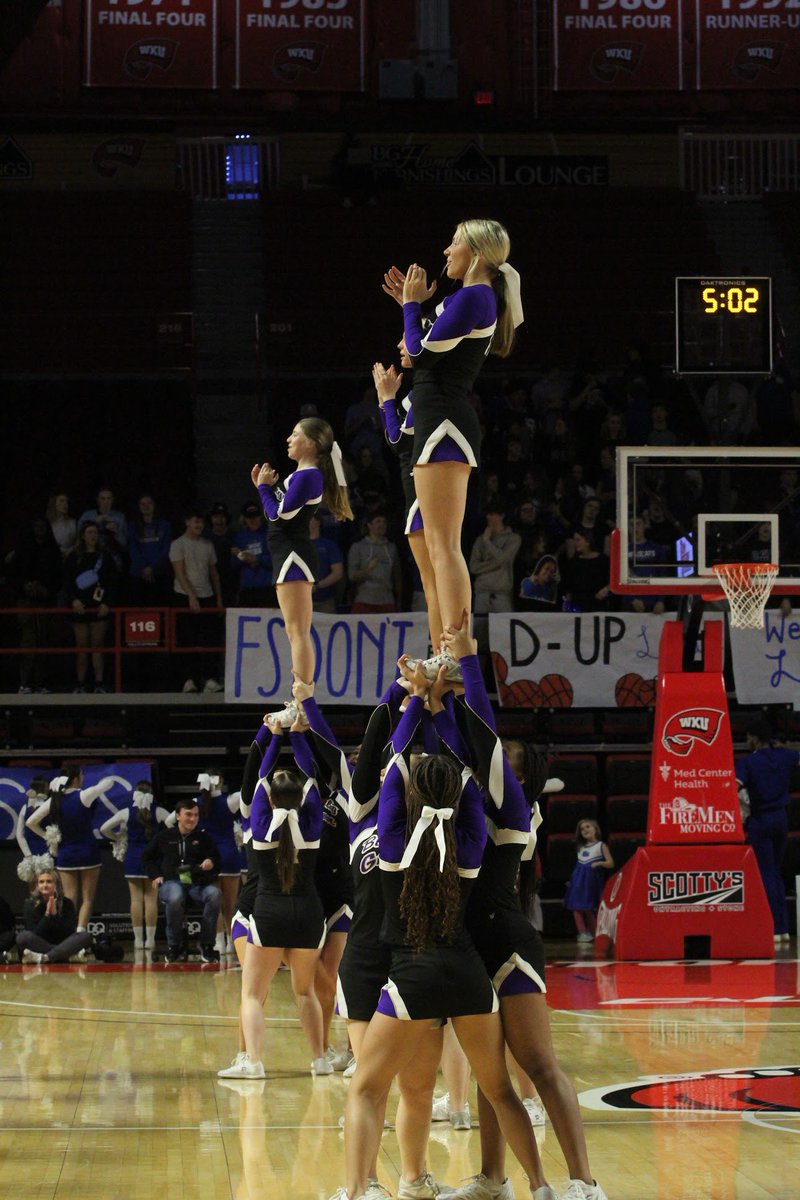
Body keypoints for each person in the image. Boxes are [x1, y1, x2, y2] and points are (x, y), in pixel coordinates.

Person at [331, 663, 557, 1200]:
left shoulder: (390, 850)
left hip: (413, 977)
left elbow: (388, 771)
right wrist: (448, 703)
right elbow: (475, 778)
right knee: (500, 1089)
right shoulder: (470, 848)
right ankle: (541, 1186)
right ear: (464, 801)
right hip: (472, 977)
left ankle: (354, 1192)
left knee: (365, 1089)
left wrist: (411, 699)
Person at [437, 621, 608, 1200]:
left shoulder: (514, 807)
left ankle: (583, 1182)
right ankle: (493, 1178)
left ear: (520, 777)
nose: (492, 758)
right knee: (489, 1074)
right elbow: (460, 738)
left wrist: (468, 662)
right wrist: (432, 694)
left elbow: (478, 726)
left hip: (507, 940)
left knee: (536, 1063)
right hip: (464, 945)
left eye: (505, 758)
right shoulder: (468, 794)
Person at [383, 218, 523, 679]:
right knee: (438, 549)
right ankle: (445, 648)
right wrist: (414, 306)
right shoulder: (470, 297)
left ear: (478, 254)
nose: (446, 250)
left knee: (445, 547)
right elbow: (422, 344)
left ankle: (456, 650)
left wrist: (410, 306)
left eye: (455, 243)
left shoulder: (475, 295)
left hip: (443, 422)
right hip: (436, 420)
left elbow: (420, 352)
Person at [218, 715, 328, 1079]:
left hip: (269, 911)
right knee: (305, 991)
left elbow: (260, 780)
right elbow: (312, 777)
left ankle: (253, 1063)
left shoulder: (261, 823)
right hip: (310, 913)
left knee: (253, 994)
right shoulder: (311, 823)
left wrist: (273, 732)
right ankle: (320, 1059)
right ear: (301, 797)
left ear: (267, 797)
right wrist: (298, 735)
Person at [252, 417, 353, 724]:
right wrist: (266, 487)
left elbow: (279, 515)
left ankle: (302, 701)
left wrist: (264, 489)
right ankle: (300, 698)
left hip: (293, 556)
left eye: (295, 434)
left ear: (311, 443)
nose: (289, 439)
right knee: (294, 630)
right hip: (289, 555)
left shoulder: (308, 476)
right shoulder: (302, 475)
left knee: (298, 632)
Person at [25, 766, 116, 932]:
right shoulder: (84, 795)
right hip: (89, 853)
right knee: (88, 899)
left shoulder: (54, 801)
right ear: (75, 779)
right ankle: (80, 934)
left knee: (69, 899)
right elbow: (109, 783)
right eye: (81, 775)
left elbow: (30, 822)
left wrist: (48, 836)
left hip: (66, 854)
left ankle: (68, 934)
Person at [735, 716, 798, 946]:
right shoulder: (783, 756)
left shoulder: (748, 763)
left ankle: (774, 927)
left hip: (760, 820)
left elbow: (734, 788)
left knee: (766, 873)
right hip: (782, 818)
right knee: (777, 871)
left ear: (753, 737)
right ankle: (783, 929)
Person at [141, 797, 222, 963]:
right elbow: (146, 857)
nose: (193, 819)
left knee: (214, 894)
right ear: (178, 816)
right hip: (172, 882)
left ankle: (206, 944)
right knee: (175, 896)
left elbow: (217, 859)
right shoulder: (165, 836)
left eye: (196, 815)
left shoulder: (203, 837)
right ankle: (174, 945)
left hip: (197, 883)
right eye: (188, 815)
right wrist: (155, 874)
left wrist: (211, 863)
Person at [98, 780, 168, 951]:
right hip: (153, 859)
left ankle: (138, 941)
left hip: (134, 858)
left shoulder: (126, 812)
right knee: (151, 899)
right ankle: (150, 940)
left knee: (135, 900)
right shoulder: (158, 811)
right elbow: (174, 822)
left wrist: (117, 838)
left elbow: (103, 828)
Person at [169, 508, 224, 694]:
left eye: (201, 522)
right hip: (184, 596)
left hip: (207, 595)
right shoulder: (178, 544)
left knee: (211, 639)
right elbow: (179, 572)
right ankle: (188, 680)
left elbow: (214, 573)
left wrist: (218, 598)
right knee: (187, 640)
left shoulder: (208, 545)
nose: (199, 525)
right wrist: (191, 596)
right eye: (195, 521)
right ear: (187, 522)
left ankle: (210, 679)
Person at [63, 520, 119, 693]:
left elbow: (113, 583)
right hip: (80, 607)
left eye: (95, 532)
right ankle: (80, 684)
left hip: (99, 608)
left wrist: (107, 603)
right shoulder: (73, 556)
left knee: (97, 646)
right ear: (82, 535)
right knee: (81, 648)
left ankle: (99, 684)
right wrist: (73, 600)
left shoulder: (105, 556)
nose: (93, 536)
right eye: (89, 532)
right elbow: (66, 582)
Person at [10, 517, 62, 694]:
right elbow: (12, 575)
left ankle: (41, 683)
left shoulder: (53, 550)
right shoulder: (22, 549)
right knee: (28, 640)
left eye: (42, 526)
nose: (39, 529)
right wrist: (25, 585)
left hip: (45, 601)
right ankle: (24, 683)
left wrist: (46, 589)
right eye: (36, 526)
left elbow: (58, 577)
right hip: (25, 600)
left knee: (43, 640)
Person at [16, 868, 93, 964]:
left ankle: (46, 957)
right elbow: (35, 934)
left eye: (49, 882)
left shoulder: (67, 903)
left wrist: (55, 915)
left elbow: (69, 932)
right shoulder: (30, 904)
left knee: (85, 936)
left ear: (56, 884)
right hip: (40, 944)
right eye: (41, 882)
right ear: (37, 885)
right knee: (22, 937)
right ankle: (65, 956)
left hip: (63, 943)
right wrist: (47, 916)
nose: (45, 885)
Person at [563, 819, 614, 943]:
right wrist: (572, 880)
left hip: (590, 883)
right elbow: (578, 867)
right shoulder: (581, 847)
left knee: (588, 908)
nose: (584, 830)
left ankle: (595, 931)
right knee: (576, 908)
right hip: (578, 883)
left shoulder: (601, 846)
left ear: (595, 829)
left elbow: (611, 863)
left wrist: (600, 863)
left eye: (587, 827)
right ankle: (583, 933)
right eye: (582, 829)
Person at [469, 502, 521, 616]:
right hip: (482, 593)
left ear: (501, 516)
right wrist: (497, 563)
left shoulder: (513, 539)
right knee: (480, 630)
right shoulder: (480, 540)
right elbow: (473, 567)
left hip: (502, 593)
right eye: (487, 514)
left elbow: (503, 558)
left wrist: (488, 542)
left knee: (504, 629)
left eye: (492, 514)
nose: (488, 517)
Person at [347, 512, 401, 614]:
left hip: (387, 601)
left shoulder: (391, 548)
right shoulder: (358, 547)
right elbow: (352, 576)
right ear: (369, 525)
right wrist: (368, 570)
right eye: (378, 521)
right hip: (364, 600)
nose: (382, 525)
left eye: (384, 522)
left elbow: (397, 576)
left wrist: (399, 601)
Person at [127, 493, 172, 605]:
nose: (146, 506)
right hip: (138, 573)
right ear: (138, 506)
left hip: (159, 573)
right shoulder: (132, 526)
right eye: (143, 504)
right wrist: (144, 567)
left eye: (149, 503)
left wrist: (152, 567)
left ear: (154, 505)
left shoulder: (165, 525)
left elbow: (166, 548)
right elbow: (132, 548)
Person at [232, 502, 275, 607]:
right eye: (249, 517)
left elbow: (278, 560)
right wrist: (241, 557)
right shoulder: (240, 537)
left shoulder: (270, 534)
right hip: (248, 588)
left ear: (260, 516)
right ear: (244, 519)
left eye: (255, 517)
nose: (252, 520)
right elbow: (233, 563)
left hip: (267, 587)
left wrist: (257, 559)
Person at [309, 513, 344, 613]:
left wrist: (318, 586)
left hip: (325, 601)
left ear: (318, 522)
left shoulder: (329, 545)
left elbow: (338, 573)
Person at [46, 493, 77, 559]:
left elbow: (78, 540)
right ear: (54, 503)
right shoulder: (48, 523)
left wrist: (70, 550)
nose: (65, 504)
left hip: (70, 557)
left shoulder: (72, 522)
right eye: (62, 501)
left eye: (66, 501)